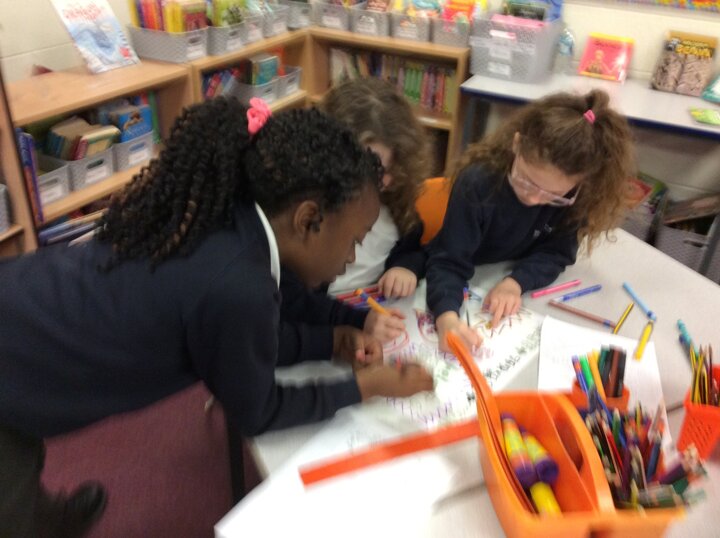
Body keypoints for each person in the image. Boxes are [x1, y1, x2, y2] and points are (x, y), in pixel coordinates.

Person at [0, 98, 433, 537]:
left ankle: (43, 516)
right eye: (354, 240)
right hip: (16, 359)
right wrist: (365, 387)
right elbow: (257, 411)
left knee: (25, 452)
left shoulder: (237, 221)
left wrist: (332, 340)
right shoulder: (239, 285)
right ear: (308, 220)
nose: (353, 257)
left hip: (25, 309)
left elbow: (235, 347)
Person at [426, 89, 634, 351]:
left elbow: (557, 253)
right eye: (525, 181)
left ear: (581, 183)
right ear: (516, 144)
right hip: (464, 273)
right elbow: (449, 260)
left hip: (500, 277)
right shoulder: (478, 183)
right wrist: (446, 318)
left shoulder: (578, 198)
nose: (534, 199)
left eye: (553, 195)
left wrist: (516, 282)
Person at [280, 78, 433, 343]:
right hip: (322, 328)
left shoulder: (394, 201)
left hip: (374, 313)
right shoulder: (302, 220)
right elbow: (294, 307)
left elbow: (413, 246)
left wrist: (405, 267)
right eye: (369, 169)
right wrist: (350, 326)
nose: (381, 182)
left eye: (388, 171)